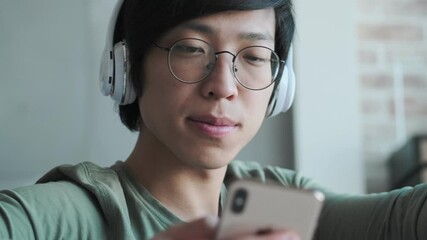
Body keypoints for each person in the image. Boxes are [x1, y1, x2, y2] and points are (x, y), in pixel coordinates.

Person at [1, 0, 427, 239]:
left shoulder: (268, 200)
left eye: (255, 57)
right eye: (190, 48)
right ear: (126, 68)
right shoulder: (68, 215)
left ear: (281, 86)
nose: (223, 85)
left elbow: (401, 220)